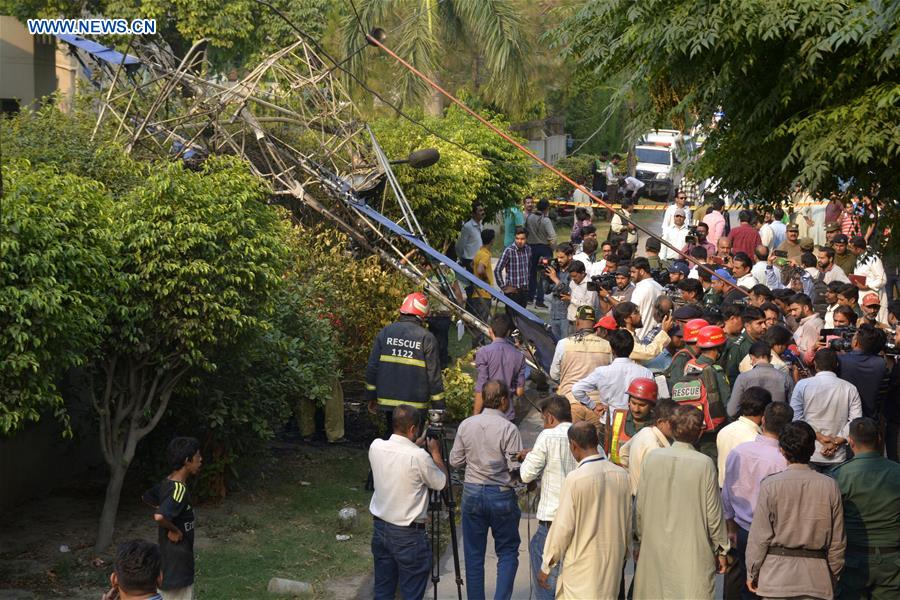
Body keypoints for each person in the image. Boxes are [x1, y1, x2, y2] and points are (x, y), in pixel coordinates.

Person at [634, 405, 730, 599]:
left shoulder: (653, 458)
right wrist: (721, 548)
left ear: (671, 426)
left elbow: (640, 506)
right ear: (699, 431)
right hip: (692, 551)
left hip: (654, 547)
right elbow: (713, 514)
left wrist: (638, 541)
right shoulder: (704, 464)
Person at [745, 422, 846, 599]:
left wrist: (752, 571)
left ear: (782, 450)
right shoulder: (830, 486)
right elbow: (837, 541)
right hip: (816, 579)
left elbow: (759, 536)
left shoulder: (770, 485)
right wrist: (832, 575)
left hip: (775, 578)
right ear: (812, 448)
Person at [538, 422, 632, 599]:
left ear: (573, 445)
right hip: (611, 567)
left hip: (581, 571)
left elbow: (562, 528)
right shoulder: (622, 476)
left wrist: (547, 564)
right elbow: (628, 522)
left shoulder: (575, 479)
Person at [449, 380, 523, 600]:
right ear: (502, 401)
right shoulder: (509, 428)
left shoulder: (467, 425)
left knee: (473, 556)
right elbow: (515, 468)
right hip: (501, 494)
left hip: (472, 491)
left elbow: (455, 461)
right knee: (507, 551)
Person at [369, 405, 447, 600]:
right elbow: (441, 483)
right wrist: (436, 453)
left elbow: (399, 456)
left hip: (380, 529)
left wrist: (416, 444)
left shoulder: (376, 446)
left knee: (383, 591)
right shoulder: (419, 457)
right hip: (408, 535)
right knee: (411, 592)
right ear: (413, 429)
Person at [721, 402, 793, 600]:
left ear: (763, 420)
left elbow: (727, 493)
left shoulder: (739, 452)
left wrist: (730, 527)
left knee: (747, 586)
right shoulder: (784, 460)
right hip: (774, 535)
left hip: (744, 530)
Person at [518, 397, 578, 600]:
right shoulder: (584, 435)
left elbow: (526, 475)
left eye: (544, 419)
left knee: (546, 583)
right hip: (579, 523)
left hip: (552, 522)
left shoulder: (547, 436)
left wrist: (531, 456)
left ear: (550, 418)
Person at [833, 417, 900, 599]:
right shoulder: (896, 472)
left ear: (851, 442)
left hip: (853, 557)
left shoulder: (839, 475)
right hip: (892, 558)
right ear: (879, 439)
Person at [365, 292, 444, 419]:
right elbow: (433, 375)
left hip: (388, 404)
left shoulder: (385, 332)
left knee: (393, 436)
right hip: (415, 407)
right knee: (414, 438)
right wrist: (439, 406)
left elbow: (373, 367)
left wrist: (371, 396)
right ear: (423, 314)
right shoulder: (426, 338)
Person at [142, 437, 202, 600]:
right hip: (177, 563)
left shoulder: (167, 483)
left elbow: (147, 497)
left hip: (169, 563)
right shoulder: (178, 490)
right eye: (197, 457)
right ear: (186, 461)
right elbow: (160, 516)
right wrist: (173, 529)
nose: (200, 460)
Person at [790, 349, 863, 470]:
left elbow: (796, 417)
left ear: (815, 364)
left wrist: (819, 437)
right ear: (837, 365)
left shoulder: (802, 385)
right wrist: (836, 441)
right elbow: (856, 421)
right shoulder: (850, 388)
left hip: (809, 452)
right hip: (838, 454)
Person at [549, 306, 612, 428]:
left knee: (571, 444)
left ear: (577, 322)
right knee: (594, 445)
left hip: (570, 404)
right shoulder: (607, 346)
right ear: (595, 323)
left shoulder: (564, 344)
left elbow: (554, 374)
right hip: (597, 407)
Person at [676, 325, 731, 461]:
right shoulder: (715, 370)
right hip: (711, 432)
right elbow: (726, 403)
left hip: (688, 427)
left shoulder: (690, 365)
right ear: (719, 349)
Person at [572, 329, 654, 419]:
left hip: (610, 422)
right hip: (636, 423)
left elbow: (577, 389)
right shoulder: (646, 373)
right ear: (632, 348)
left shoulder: (602, 372)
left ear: (612, 350)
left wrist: (593, 406)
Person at [619, 398, 677, 495]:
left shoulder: (645, 431)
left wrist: (633, 474)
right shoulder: (654, 447)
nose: (677, 426)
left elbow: (623, 452)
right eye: (673, 423)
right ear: (660, 422)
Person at [473, 313, 525, 420]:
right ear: (508, 332)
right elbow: (520, 392)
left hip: (486, 414)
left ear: (490, 330)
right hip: (507, 414)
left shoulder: (483, 352)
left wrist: (475, 416)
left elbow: (481, 388)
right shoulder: (519, 356)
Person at [716, 386, 769, 487]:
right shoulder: (755, 439)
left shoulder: (724, 431)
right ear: (765, 411)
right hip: (743, 496)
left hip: (723, 490)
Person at [728, 341, 794, 416]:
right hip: (777, 424)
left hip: (752, 424)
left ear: (752, 358)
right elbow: (793, 408)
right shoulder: (786, 378)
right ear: (771, 358)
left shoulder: (743, 378)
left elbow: (732, 411)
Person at [837, 323, 887, 419]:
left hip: (845, 417)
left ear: (856, 342)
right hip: (870, 419)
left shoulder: (841, 360)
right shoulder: (881, 364)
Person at [607, 377, 658, 465]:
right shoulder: (619, 417)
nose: (636, 409)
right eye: (634, 403)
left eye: (642, 405)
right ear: (628, 402)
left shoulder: (658, 424)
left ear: (652, 406)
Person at [720, 307, 770, 384]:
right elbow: (732, 376)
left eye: (764, 322)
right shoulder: (738, 347)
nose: (764, 326)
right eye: (759, 323)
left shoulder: (764, 341)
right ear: (747, 326)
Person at [526, 199, 557, 307]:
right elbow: (552, 236)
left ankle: (530, 297)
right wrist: (553, 248)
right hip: (544, 248)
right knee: (544, 275)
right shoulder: (546, 220)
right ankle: (540, 300)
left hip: (531, 248)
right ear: (547, 208)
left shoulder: (530, 217)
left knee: (532, 274)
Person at [850, 236, 889, 322]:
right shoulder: (859, 258)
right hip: (863, 297)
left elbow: (882, 280)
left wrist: (866, 286)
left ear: (858, 249)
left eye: (852, 248)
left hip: (874, 298)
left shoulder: (873, 259)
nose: (850, 250)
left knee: (879, 323)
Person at [470, 228, 497, 346]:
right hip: (484, 294)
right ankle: (479, 346)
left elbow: (472, 264)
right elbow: (481, 269)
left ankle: (476, 345)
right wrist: (486, 280)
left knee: (477, 321)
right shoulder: (485, 255)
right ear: (492, 240)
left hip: (476, 293)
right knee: (482, 322)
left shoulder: (478, 252)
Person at [494, 226, 531, 309]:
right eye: (517, 238)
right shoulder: (509, 251)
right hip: (513, 292)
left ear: (526, 239)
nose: (519, 241)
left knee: (522, 318)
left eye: (522, 239)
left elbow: (528, 267)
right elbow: (497, 270)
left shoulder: (528, 249)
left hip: (524, 291)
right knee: (511, 318)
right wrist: (503, 287)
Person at [544, 242, 574, 340]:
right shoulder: (556, 269)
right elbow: (546, 290)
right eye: (557, 257)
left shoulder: (574, 270)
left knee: (565, 345)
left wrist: (555, 280)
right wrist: (546, 277)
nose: (559, 260)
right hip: (554, 314)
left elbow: (567, 291)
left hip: (567, 316)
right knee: (554, 345)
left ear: (570, 256)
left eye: (562, 257)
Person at [629, 257, 664, 340]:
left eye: (634, 272)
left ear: (641, 271)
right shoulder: (659, 287)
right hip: (655, 336)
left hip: (640, 336)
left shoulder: (641, 289)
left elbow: (631, 314)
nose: (631, 275)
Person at [789, 293, 824, 365]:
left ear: (806, 308)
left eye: (795, 309)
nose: (792, 313)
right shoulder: (808, 322)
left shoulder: (810, 325)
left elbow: (810, 356)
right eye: (791, 310)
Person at [566, 260, 598, 328]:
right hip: (570, 320)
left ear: (583, 273)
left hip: (583, 325)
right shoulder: (572, 282)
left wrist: (571, 299)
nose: (573, 279)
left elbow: (589, 306)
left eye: (574, 276)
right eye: (571, 276)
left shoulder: (590, 284)